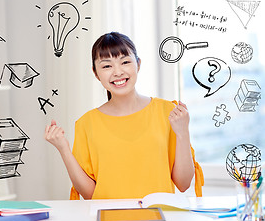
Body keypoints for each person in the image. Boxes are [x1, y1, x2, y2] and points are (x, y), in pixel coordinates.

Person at [44, 32, 204, 200]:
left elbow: (184, 183)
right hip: (109, 218)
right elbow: (89, 194)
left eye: (125, 62)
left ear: (138, 64)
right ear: (96, 73)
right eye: (107, 66)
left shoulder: (167, 112)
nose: (118, 72)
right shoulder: (86, 124)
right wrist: (63, 148)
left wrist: (182, 132)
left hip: (159, 218)